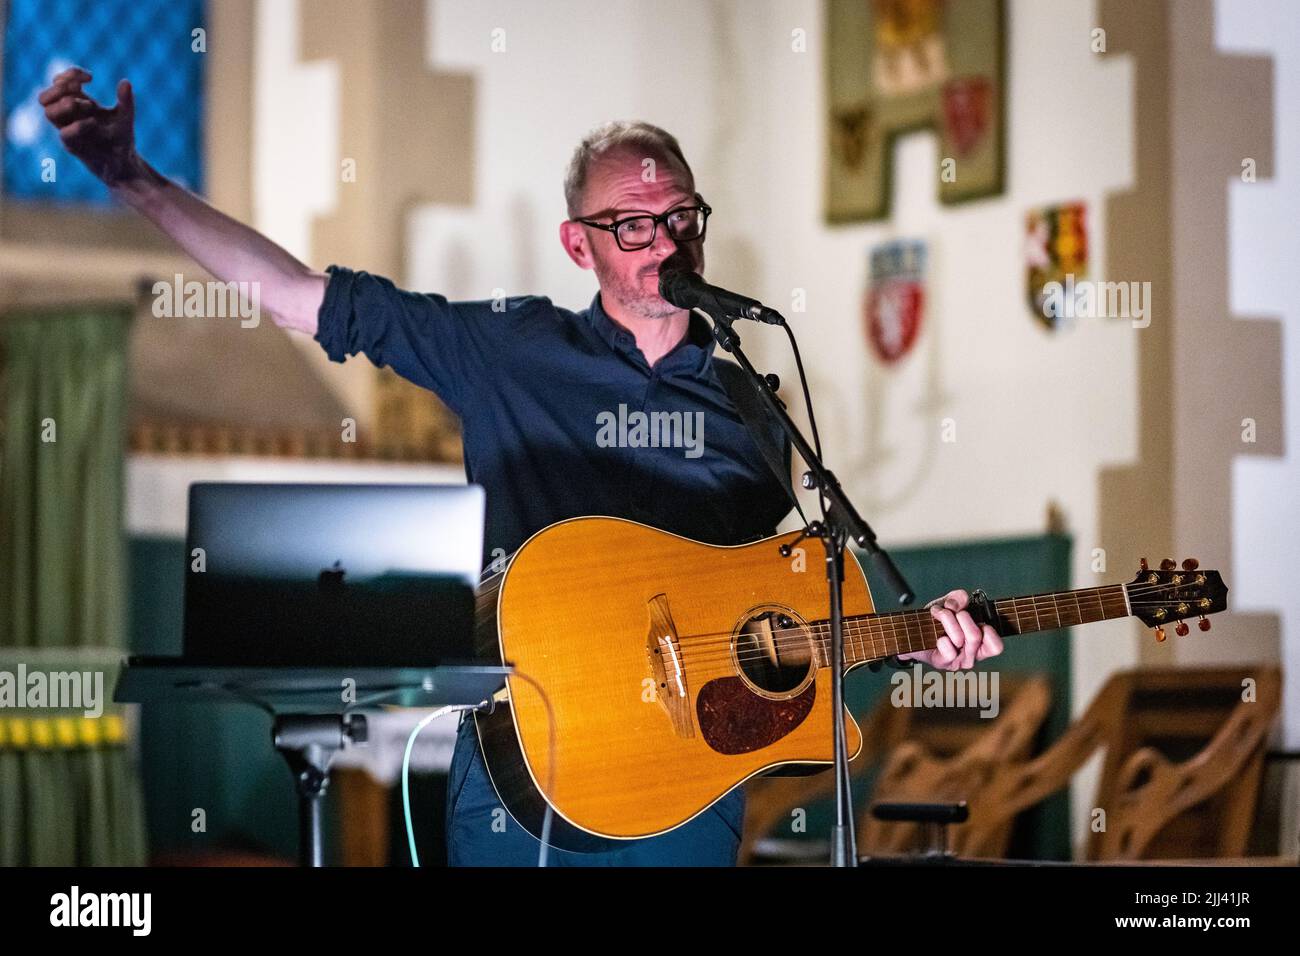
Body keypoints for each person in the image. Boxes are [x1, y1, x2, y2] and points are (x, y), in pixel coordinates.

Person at [42, 68, 1005, 866]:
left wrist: (907, 635)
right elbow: (299, 298)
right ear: (577, 244)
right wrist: (135, 180)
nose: (665, 242)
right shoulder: (508, 350)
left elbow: (766, 603)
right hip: (528, 774)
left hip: (690, 791)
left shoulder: (750, 400)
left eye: (681, 216)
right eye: (633, 224)